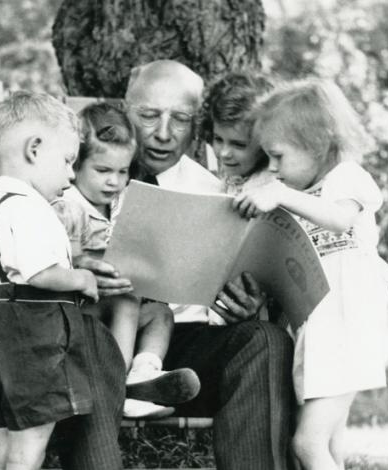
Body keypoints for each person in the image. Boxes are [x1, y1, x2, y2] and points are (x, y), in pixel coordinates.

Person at [77, 59, 296, 470]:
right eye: (148, 116)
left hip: (185, 352)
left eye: (180, 119)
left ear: (197, 125)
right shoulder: (85, 180)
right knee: (88, 341)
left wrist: (247, 305)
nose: (163, 134)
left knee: (265, 340)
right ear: (126, 109)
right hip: (105, 334)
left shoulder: (217, 194)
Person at [233, 78, 388, 470]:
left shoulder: (346, 177)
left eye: (278, 156)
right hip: (319, 330)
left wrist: (283, 196)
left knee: (306, 445)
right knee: (330, 443)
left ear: (319, 143)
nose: (272, 169)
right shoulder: (303, 190)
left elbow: (341, 220)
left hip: (348, 326)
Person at [0, 91, 124, 470]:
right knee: (29, 451)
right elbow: (41, 273)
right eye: (68, 161)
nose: (71, 177)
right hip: (33, 340)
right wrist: (82, 278)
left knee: (3, 451)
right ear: (35, 149)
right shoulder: (30, 209)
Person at [51, 102, 200, 419]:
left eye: (123, 172)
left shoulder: (122, 202)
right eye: (103, 171)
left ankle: (142, 375)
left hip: (116, 307)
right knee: (127, 303)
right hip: (80, 312)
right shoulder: (68, 205)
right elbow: (63, 259)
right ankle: (116, 389)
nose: (113, 182)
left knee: (160, 313)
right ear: (75, 166)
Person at [202, 71, 276, 196]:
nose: (224, 153)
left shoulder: (272, 186)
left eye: (238, 145)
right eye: (218, 139)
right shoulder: (233, 175)